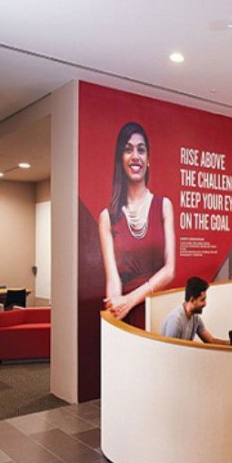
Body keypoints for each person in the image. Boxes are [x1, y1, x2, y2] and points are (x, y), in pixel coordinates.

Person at [99, 122, 175, 328]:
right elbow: (113, 280)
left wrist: (130, 300)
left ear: (148, 160)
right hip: (126, 315)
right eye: (128, 149)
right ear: (120, 159)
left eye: (141, 150)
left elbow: (170, 270)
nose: (135, 156)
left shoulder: (164, 206)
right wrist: (117, 307)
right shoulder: (107, 217)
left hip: (158, 311)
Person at [161, 277, 228, 344]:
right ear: (192, 300)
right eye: (202, 300)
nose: (205, 303)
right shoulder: (176, 320)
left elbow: (211, 341)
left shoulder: (195, 318)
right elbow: (170, 349)